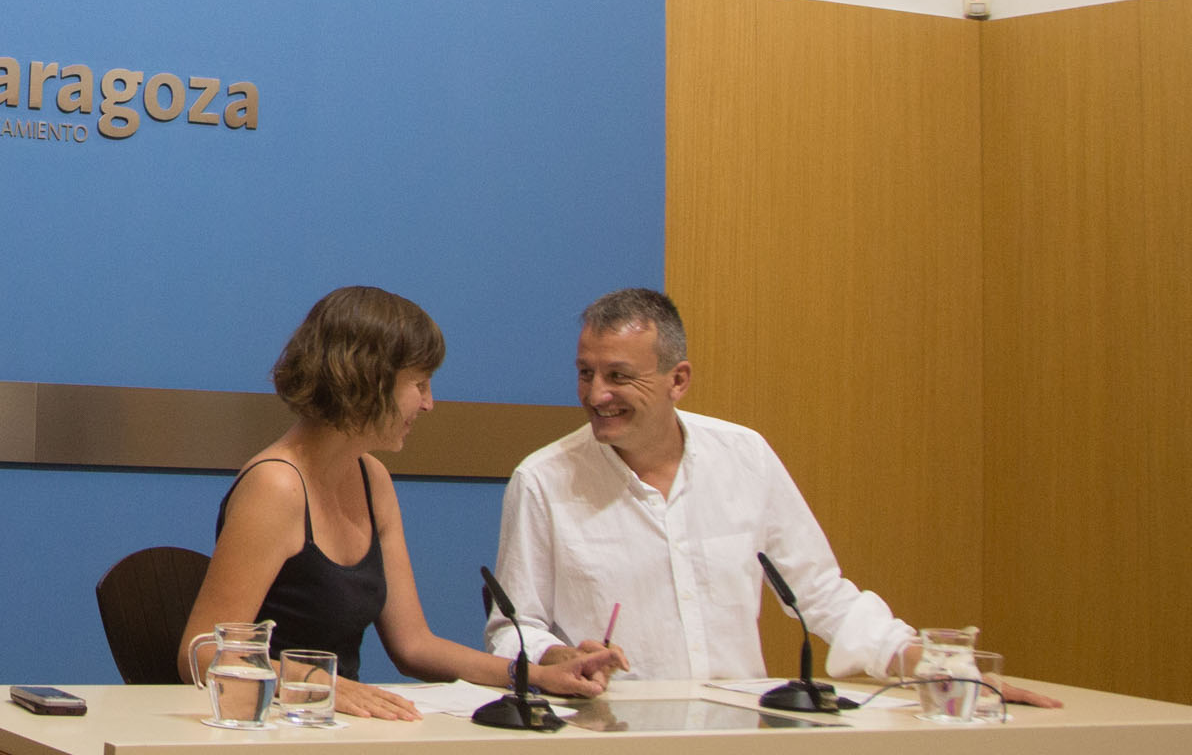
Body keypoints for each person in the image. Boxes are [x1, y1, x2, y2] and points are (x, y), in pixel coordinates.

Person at [490, 287, 1060, 704]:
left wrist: (937, 666)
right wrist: (556, 656)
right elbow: (514, 630)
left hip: (740, 736)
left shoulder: (745, 456)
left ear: (677, 380)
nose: (596, 394)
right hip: (607, 739)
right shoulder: (543, 479)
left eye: (618, 376)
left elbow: (820, 594)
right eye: (585, 373)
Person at [179, 286, 619, 721]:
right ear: (367, 381)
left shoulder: (373, 479)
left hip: (338, 724)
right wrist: (318, 681)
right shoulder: (275, 486)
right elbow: (201, 654)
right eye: (419, 384)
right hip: (275, 727)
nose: (429, 404)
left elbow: (414, 645)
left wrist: (534, 675)